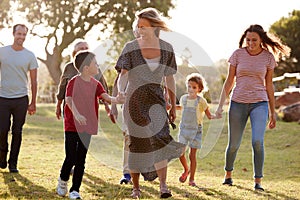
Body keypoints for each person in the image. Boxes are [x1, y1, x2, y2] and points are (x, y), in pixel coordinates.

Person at [117, 7, 185, 199]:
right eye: (138, 27)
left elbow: (170, 78)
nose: (140, 30)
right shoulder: (130, 47)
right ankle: (136, 189)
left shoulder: (167, 49)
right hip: (134, 102)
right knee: (136, 144)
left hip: (156, 101)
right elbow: (123, 75)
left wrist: (172, 103)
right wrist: (121, 91)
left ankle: (163, 187)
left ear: (154, 27)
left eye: (144, 26)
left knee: (160, 141)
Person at [215, 24, 289, 191]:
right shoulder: (237, 55)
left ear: (261, 40)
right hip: (238, 102)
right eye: (248, 40)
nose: (251, 43)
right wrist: (220, 105)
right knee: (233, 144)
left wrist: (273, 111)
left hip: (259, 103)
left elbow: (269, 85)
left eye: (254, 40)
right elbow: (229, 81)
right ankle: (228, 175)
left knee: (257, 141)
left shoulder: (268, 58)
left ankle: (258, 181)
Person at [56, 51, 123, 199]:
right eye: (95, 63)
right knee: (71, 157)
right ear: (86, 68)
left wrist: (117, 99)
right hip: (72, 126)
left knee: (81, 159)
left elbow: (106, 97)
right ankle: (63, 180)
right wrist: (77, 114)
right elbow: (68, 99)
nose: (98, 65)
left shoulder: (96, 84)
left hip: (87, 127)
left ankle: (75, 190)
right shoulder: (73, 81)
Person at [0, 24, 39, 173]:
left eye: (24, 35)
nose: (21, 37)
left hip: (21, 99)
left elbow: (34, 81)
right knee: (2, 130)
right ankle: (2, 157)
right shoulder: (2, 52)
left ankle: (13, 164)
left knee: (17, 131)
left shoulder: (30, 55)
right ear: (13, 34)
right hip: (2, 98)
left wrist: (33, 103)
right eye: (19, 34)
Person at [177, 73, 217, 187]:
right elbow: (180, 108)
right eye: (189, 86)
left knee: (192, 155)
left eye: (194, 87)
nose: (191, 89)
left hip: (196, 130)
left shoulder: (201, 101)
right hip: (184, 129)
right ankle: (186, 169)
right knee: (180, 152)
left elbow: (209, 115)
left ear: (199, 89)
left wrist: (216, 116)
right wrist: (171, 107)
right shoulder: (183, 98)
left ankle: (192, 179)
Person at [55, 41, 110, 120]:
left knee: (87, 131)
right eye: (81, 49)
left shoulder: (94, 67)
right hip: (71, 110)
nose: (84, 50)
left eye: (86, 48)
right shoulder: (69, 67)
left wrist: (107, 107)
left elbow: (102, 89)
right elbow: (62, 88)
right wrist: (58, 106)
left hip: (89, 110)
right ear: (74, 53)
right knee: (71, 131)